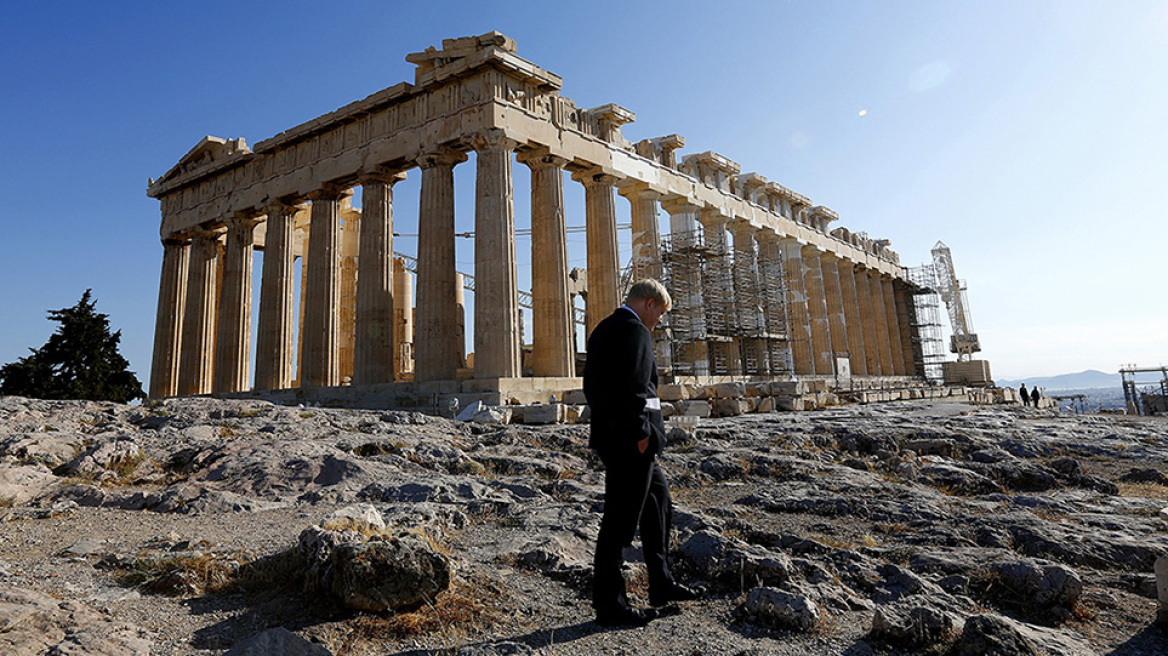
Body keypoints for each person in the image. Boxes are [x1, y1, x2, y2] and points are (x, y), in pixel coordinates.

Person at [583, 279, 703, 627]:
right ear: (649, 304)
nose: (661, 321)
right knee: (619, 524)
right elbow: (637, 389)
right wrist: (639, 436)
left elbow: (597, 387)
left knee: (659, 503)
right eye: (661, 313)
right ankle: (610, 606)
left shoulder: (606, 327)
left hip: (621, 438)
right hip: (630, 442)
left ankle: (662, 583)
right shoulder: (634, 330)